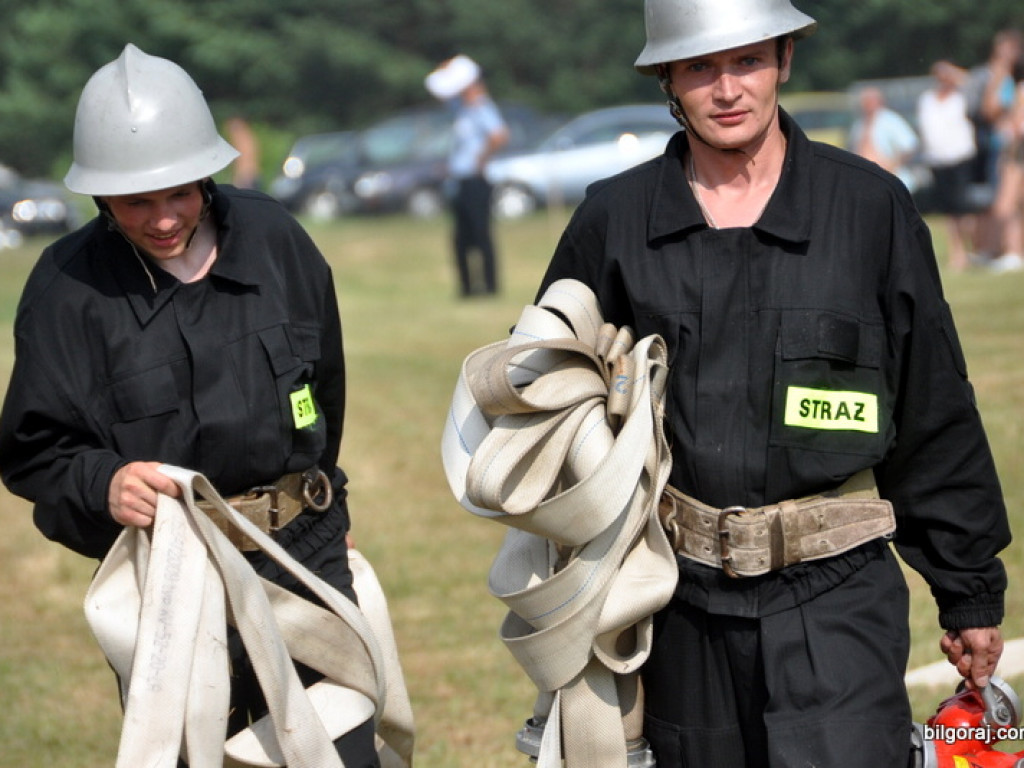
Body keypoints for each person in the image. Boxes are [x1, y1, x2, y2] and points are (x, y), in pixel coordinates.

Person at [533, 1, 1011, 765]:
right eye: (700, 67)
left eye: (748, 61)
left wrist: (969, 588)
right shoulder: (613, 221)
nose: (727, 89)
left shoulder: (869, 209)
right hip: (677, 604)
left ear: (785, 59)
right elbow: (547, 405)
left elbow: (933, 406)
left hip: (837, 594)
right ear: (667, 77)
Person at [0, 44, 379, 767]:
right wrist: (102, 482)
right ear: (100, 196)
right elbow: (34, 450)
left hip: (303, 557)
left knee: (342, 753)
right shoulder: (64, 291)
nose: (166, 217)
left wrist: (324, 509)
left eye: (180, 192)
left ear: (206, 172)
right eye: (138, 201)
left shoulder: (277, 241)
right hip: (170, 576)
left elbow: (322, 390)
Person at [425, 54, 508, 297]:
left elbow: (499, 135)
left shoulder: (482, 107)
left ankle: (490, 287)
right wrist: (446, 68)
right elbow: (439, 91)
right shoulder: (461, 108)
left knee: (481, 234)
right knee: (461, 238)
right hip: (459, 180)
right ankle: (467, 288)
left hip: (476, 180)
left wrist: (481, 160)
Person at [917, 60, 980, 272]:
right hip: (937, 158)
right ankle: (957, 253)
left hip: (960, 156)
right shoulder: (927, 99)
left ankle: (974, 249)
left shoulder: (961, 96)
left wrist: (954, 72)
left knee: (964, 207)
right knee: (949, 210)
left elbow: (974, 84)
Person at [849, 85, 921, 193]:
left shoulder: (890, 120)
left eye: (869, 100)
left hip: (890, 177)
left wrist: (893, 164)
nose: (865, 104)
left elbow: (909, 145)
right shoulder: (859, 125)